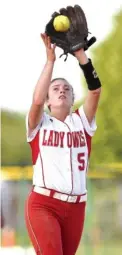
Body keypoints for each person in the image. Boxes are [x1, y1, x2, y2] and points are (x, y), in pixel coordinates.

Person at [25, 33, 101, 255]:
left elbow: (95, 90)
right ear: (49, 101)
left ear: (73, 98)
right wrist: (50, 61)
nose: (61, 91)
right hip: (44, 204)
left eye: (67, 89)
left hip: (77, 207)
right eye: (56, 89)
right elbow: (36, 101)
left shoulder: (82, 121)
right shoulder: (39, 124)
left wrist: (82, 56)